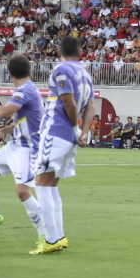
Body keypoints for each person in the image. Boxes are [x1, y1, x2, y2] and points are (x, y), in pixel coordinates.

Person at [0, 55, 48, 251]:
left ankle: (46, 235)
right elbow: (24, 122)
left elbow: (4, 112)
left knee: (23, 191)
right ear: (29, 70)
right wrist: (4, 130)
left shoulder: (24, 91)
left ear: (9, 74)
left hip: (28, 150)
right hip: (14, 146)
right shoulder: (30, 91)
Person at [32, 36, 96, 254]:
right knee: (52, 185)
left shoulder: (61, 70)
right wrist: (83, 132)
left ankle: (50, 239)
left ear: (59, 50)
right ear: (80, 52)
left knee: (41, 183)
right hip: (69, 137)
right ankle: (58, 237)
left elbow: (70, 102)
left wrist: (76, 128)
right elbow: (91, 107)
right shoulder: (86, 74)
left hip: (56, 131)